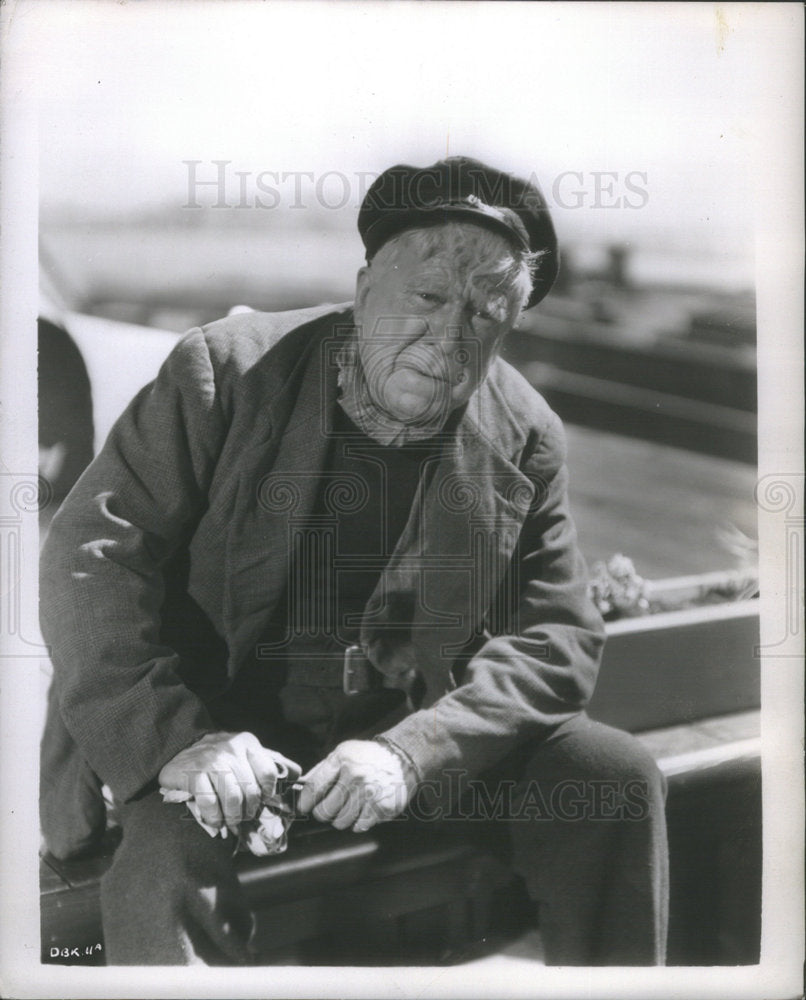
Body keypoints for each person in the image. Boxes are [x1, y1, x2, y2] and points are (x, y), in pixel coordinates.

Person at [39, 156, 668, 966]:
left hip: (397, 744)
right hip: (213, 734)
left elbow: (556, 635)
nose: (448, 338)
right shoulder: (226, 371)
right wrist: (176, 743)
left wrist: (416, 753)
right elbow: (92, 555)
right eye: (430, 296)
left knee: (612, 781)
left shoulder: (525, 431)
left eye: (484, 313)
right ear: (366, 285)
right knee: (164, 878)